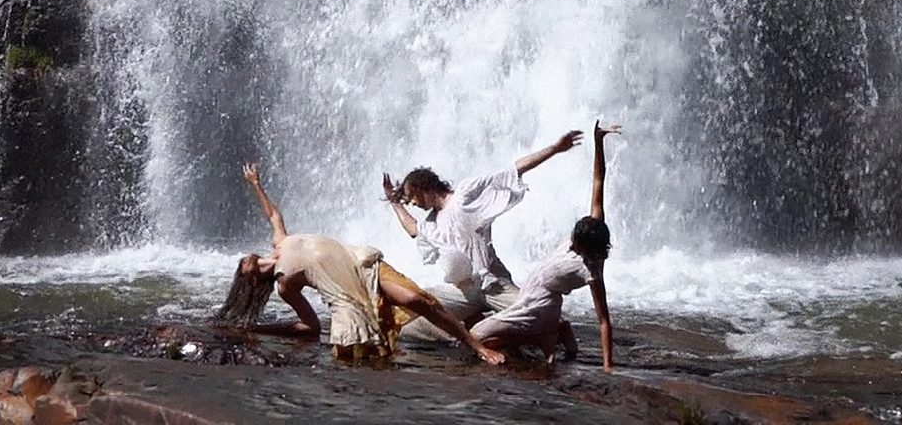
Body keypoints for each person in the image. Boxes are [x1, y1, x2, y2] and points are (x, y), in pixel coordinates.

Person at [217, 163, 505, 365]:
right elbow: (311, 327)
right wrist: (258, 329)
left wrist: (256, 184)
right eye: (241, 268)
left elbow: (274, 216)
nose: (242, 261)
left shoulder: (280, 243)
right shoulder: (284, 285)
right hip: (350, 296)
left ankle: (476, 345)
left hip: (364, 263)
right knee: (360, 356)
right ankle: (474, 329)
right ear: (251, 279)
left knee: (418, 299)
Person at [382, 129, 583, 320]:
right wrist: (395, 202)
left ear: (422, 188)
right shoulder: (431, 223)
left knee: (538, 313)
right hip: (463, 293)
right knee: (421, 310)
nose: (414, 204)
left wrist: (555, 149)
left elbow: (513, 170)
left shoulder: (464, 195)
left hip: (493, 285)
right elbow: (413, 230)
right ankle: (474, 322)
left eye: (411, 197)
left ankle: (558, 330)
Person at [468, 121, 620, 371]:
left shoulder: (591, 272)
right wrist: (598, 142)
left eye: (575, 242)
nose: (570, 240)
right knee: (480, 336)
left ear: (585, 248)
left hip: (540, 306)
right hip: (532, 295)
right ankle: (554, 332)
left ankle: (545, 332)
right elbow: (598, 181)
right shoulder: (595, 225)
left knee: (474, 339)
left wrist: (608, 366)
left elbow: (604, 320)